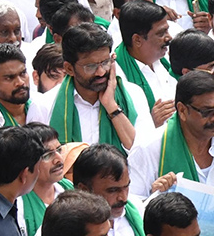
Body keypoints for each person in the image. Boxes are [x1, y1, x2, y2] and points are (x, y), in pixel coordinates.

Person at [30, 23, 147, 152]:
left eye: (105, 62)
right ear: (69, 68)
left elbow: (142, 154)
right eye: (90, 66)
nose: (101, 72)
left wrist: (112, 107)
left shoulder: (133, 94)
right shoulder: (44, 105)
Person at [128, 69, 214, 195]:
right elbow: (133, 206)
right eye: (207, 111)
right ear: (182, 110)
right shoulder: (149, 148)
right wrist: (155, 195)